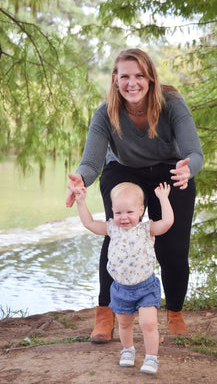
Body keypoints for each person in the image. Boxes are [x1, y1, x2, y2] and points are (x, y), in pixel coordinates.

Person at [66, 48, 204, 343]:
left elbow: (194, 152)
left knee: (173, 249)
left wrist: (187, 169)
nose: (132, 83)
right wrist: (81, 180)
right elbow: (91, 163)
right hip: (124, 171)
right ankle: (105, 313)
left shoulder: (172, 105)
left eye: (139, 75)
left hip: (171, 171)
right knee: (117, 235)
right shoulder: (106, 113)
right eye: (125, 76)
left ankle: (175, 313)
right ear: (115, 80)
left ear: (151, 78)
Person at [75, 181, 174, 374]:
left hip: (146, 286)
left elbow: (167, 223)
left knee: (148, 323)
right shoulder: (112, 228)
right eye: (119, 213)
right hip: (120, 288)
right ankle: (128, 350)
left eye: (129, 212)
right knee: (124, 323)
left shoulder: (147, 229)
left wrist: (164, 199)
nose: (124, 218)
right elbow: (89, 223)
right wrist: (81, 202)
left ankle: (152, 357)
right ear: (112, 211)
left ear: (140, 210)